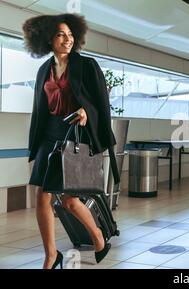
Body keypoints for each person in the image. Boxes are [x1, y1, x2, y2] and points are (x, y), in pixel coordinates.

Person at [23, 14, 116, 269]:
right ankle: (51, 255)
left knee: (69, 200)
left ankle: (98, 237)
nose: (68, 40)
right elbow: (39, 110)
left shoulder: (87, 65)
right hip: (48, 136)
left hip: (74, 133)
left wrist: (87, 111)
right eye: (61, 35)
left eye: (71, 35)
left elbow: (102, 105)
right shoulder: (44, 70)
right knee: (41, 195)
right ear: (48, 39)